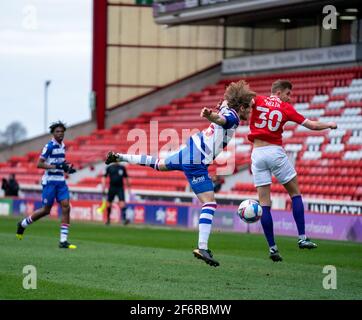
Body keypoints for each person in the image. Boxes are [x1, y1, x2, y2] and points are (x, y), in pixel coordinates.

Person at [105, 80, 256, 267]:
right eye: (249, 108)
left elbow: (224, 105)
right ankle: (202, 247)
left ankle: (119, 156)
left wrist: (218, 108)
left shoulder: (227, 107)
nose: (251, 112)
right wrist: (211, 116)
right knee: (209, 202)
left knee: (159, 164)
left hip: (190, 149)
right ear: (241, 107)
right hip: (197, 160)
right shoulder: (232, 117)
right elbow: (222, 120)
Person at [248, 80, 337, 262]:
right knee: (295, 194)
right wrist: (329, 124)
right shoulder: (286, 108)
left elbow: (242, 103)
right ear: (278, 93)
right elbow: (311, 125)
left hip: (257, 153)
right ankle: (302, 237)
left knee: (264, 203)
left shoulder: (257, 100)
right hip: (274, 151)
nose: (290, 98)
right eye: (288, 94)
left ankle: (273, 249)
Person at [16, 121, 77, 249]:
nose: (60, 134)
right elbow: (39, 164)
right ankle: (22, 224)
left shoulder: (63, 146)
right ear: (53, 133)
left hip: (61, 181)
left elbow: (61, 162)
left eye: (62, 131)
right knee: (46, 210)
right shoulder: (49, 146)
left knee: (66, 207)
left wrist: (67, 167)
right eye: (57, 132)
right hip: (50, 182)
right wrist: (57, 166)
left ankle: (63, 241)